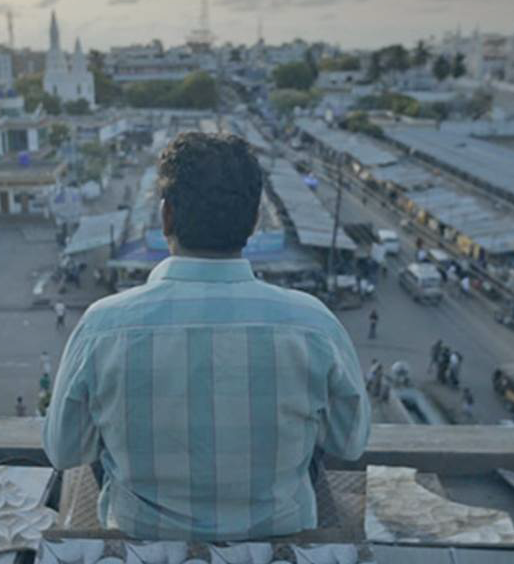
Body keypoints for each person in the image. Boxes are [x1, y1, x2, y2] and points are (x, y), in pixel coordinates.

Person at [43, 133, 369, 541]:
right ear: (253, 221)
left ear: (165, 218)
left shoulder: (103, 327)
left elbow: (64, 449)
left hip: (145, 547)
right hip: (278, 544)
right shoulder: (314, 325)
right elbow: (351, 441)